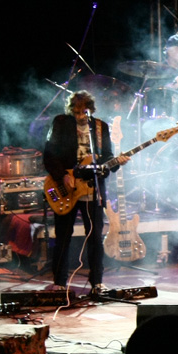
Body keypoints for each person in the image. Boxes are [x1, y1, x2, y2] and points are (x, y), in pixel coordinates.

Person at [43, 90, 119, 293]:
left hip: (92, 189)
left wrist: (116, 162)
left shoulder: (101, 127)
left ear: (91, 110)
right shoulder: (61, 123)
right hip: (67, 187)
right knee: (63, 236)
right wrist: (62, 176)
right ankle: (60, 282)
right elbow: (49, 155)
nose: (80, 117)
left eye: (84, 112)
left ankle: (97, 282)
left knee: (95, 237)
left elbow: (107, 156)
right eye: (76, 112)